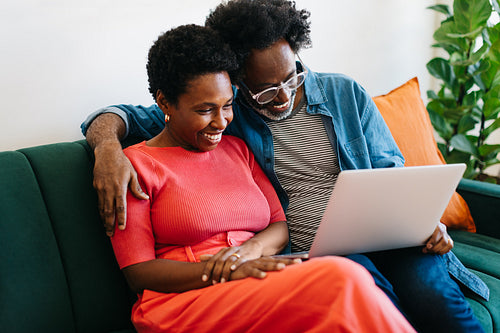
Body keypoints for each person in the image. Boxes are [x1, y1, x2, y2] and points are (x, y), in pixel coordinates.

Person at [82, 1, 489, 332]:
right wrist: (106, 149)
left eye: (291, 80)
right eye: (264, 90)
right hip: (315, 251)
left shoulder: (344, 93)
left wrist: (422, 220)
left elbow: (394, 174)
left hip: (390, 236)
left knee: (438, 301)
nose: (282, 98)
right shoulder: (226, 114)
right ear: (237, 79)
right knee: (367, 291)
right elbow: (127, 117)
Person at [110, 23, 415, 332]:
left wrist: (248, 254)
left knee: (344, 292)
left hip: (256, 275)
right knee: (342, 277)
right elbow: (138, 271)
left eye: (227, 105)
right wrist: (227, 271)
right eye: (205, 110)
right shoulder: (132, 166)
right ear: (164, 103)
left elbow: (278, 224)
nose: (221, 121)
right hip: (184, 298)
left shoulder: (239, 149)